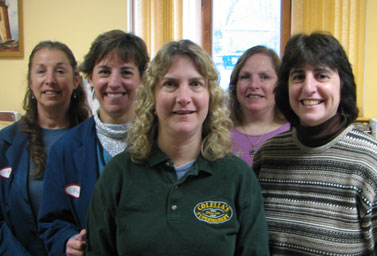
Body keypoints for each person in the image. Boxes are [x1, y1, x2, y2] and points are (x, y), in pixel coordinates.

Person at [85, 39, 270, 255]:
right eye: (170, 84)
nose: (183, 98)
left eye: (195, 84)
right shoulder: (118, 175)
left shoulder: (239, 178)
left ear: (210, 98)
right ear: (152, 99)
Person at [253, 31, 377, 255]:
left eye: (321, 75)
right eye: (298, 76)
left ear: (342, 85)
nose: (308, 88)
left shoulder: (374, 162)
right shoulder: (268, 156)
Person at [38, 30, 149, 256]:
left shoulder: (163, 143)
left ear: (143, 79)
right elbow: (52, 222)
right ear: (90, 77)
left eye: (126, 72)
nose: (114, 83)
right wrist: (67, 241)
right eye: (104, 72)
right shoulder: (65, 150)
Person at [0, 41, 90, 256]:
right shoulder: (5, 143)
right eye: (41, 72)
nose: (50, 80)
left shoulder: (93, 140)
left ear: (76, 80)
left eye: (60, 71)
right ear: (31, 81)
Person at [229, 46, 290, 166]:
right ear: (235, 85)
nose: (254, 85)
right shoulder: (217, 133)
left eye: (264, 77)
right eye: (245, 77)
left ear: (280, 84)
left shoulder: (293, 134)